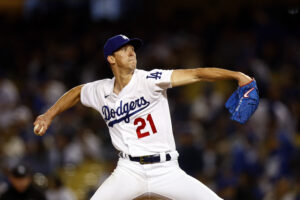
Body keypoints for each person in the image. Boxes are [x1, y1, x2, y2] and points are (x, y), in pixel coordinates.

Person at [33, 34, 253, 200]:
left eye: (133, 49)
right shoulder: (101, 90)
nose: (132, 53)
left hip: (166, 169)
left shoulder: (150, 79)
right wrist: (49, 114)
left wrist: (236, 75)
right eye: (124, 50)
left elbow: (196, 73)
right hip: (129, 170)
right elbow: (77, 92)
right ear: (111, 58)